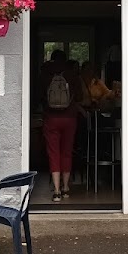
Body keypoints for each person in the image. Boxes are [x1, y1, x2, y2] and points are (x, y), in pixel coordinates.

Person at [41, 50, 83, 202]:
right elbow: (80, 96)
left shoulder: (45, 74)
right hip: (70, 117)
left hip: (51, 117)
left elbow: (38, 95)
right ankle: (66, 188)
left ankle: (56, 191)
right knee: (67, 152)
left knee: (53, 153)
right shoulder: (72, 75)